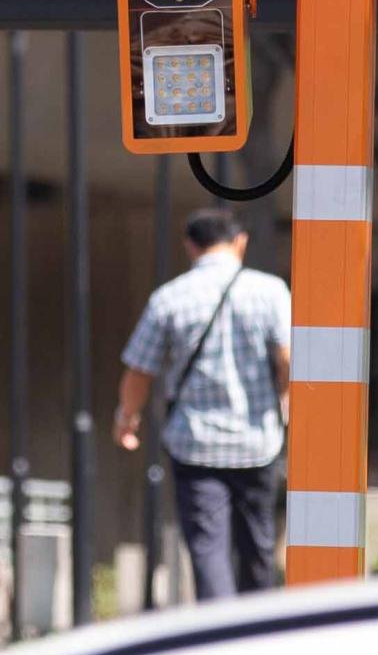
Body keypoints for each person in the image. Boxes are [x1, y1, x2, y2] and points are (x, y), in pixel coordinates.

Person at [116, 209, 293, 600]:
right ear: (240, 242)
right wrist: (284, 399)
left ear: (190, 246)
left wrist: (127, 417)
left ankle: (220, 627)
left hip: (196, 446)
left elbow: (140, 370)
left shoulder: (169, 298)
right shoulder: (270, 292)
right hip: (257, 442)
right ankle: (259, 625)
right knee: (258, 547)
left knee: (207, 549)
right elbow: (286, 358)